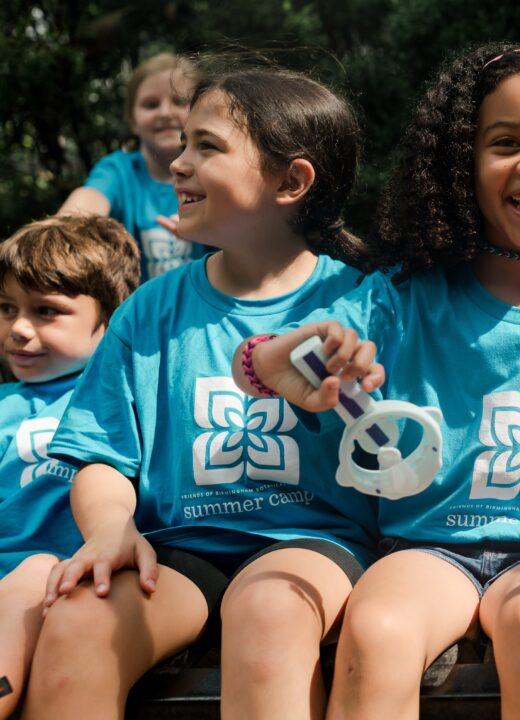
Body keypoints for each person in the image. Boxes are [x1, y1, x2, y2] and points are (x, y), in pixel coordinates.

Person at [237, 42, 520, 720]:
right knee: (376, 626)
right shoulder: (402, 297)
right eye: (506, 141)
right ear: (461, 162)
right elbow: (276, 357)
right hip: (428, 548)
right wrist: (275, 362)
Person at [22, 65, 377, 720]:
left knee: (268, 610)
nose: (178, 164)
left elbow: (393, 448)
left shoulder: (362, 300)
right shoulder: (147, 311)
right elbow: (101, 455)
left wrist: (355, 392)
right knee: (77, 620)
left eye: (205, 147)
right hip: (178, 550)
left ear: (291, 182)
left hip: (312, 542)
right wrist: (108, 529)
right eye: (181, 144)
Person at [0, 215, 139, 718]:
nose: (18, 328)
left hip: (68, 582)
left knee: (36, 570)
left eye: (46, 312)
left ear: (112, 322)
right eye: (7, 308)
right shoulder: (4, 406)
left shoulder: (126, 401)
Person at [58, 53, 210, 281]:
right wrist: (60, 230)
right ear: (132, 120)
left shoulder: (216, 170)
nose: (165, 113)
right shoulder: (119, 170)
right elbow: (89, 198)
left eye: (179, 101)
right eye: (151, 104)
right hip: (136, 312)